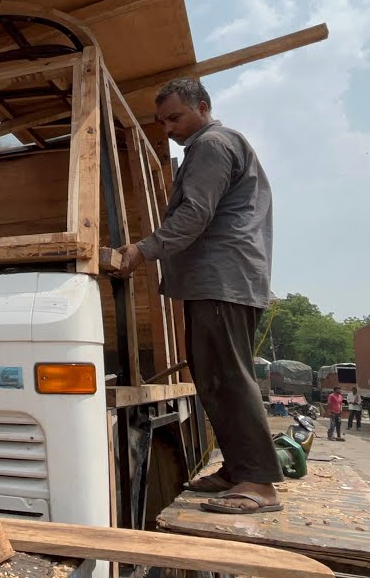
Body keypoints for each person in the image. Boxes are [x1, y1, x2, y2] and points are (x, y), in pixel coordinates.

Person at [111, 77, 282, 515]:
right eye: (162, 121)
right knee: (212, 377)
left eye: (175, 117)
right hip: (218, 280)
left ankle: (259, 482)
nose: (167, 128)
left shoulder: (213, 144)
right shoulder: (214, 146)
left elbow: (195, 213)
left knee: (227, 376)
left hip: (222, 279)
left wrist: (141, 251)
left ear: (202, 107)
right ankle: (239, 468)